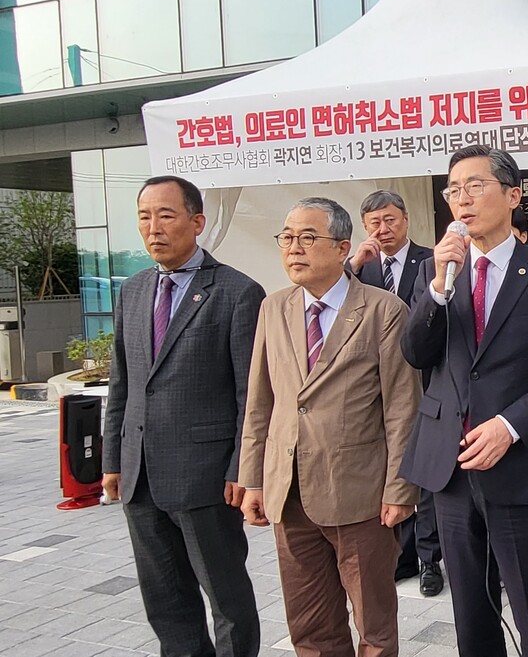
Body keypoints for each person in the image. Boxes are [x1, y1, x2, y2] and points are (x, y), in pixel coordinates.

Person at [399, 145, 528, 657]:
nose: (462, 199)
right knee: (472, 616)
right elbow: (416, 353)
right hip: (452, 470)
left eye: (475, 186)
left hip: (519, 467)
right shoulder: (437, 273)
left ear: (513, 195)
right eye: (453, 189)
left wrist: (509, 425)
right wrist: (438, 286)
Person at [239, 197, 421, 657]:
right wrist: (252, 479)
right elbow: (261, 403)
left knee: (374, 627)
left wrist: (400, 489)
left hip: (360, 496)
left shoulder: (383, 310)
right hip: (289, 491)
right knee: (311, 626)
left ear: (342, 248)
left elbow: (403, 408)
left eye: (307, 238)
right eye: (286, 238)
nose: (293, 249)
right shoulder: (273, 308)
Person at [103, 175, 264, 657]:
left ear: (198, 222)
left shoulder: (237, 292)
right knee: (165, 599)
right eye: (144, 217)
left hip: (207, 479)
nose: (154, 228)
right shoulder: (132, 291)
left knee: (227, 599)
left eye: (166, 215)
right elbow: (121, 385)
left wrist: (242, 467)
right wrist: (113, 459)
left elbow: (250, 395)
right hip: (141, 475)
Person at [348, 189, 444, 597]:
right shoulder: (358, 270)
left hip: (425, 382)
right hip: (377, 389)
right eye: (373, 223)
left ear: (405, 220)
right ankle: (402, 556)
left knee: (426, 475)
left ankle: (430, 560)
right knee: (393, 471)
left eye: (389, 220)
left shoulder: (432, 260)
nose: (382, 229)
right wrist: (352, 266)